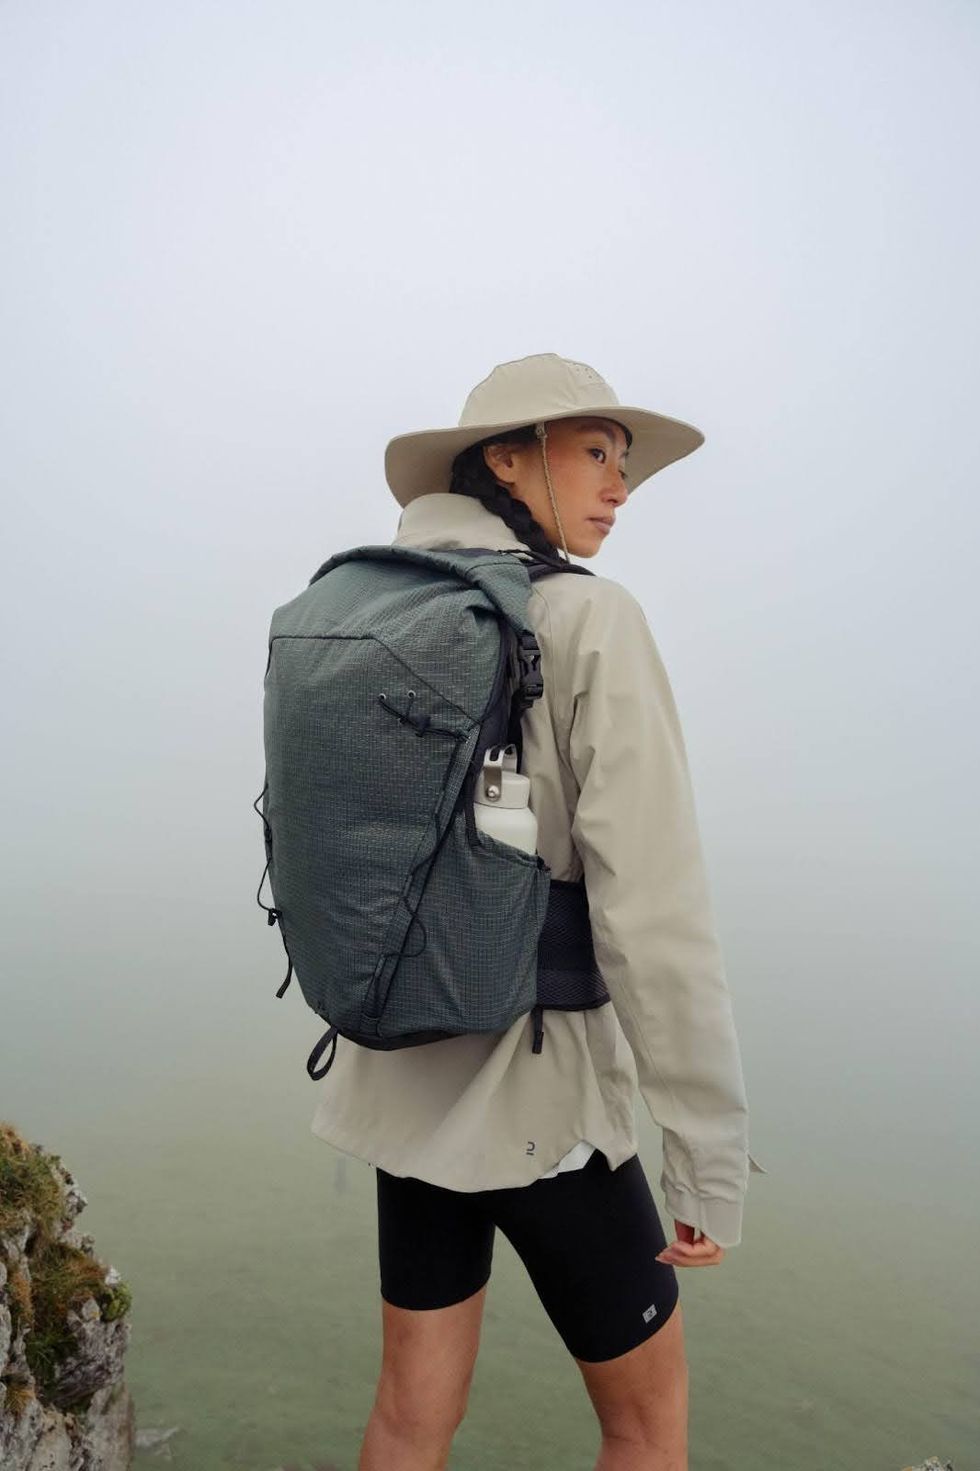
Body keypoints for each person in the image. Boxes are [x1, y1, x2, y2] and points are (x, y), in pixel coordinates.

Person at [310, 353, 764, 1471]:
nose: (620, 486)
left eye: (624, 462)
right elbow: (653, 912)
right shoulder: (588, 618)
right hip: (541, 1093)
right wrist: (703, 1157)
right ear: (507, 461)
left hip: (402, 1074)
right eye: (595, 452)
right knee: (645, 1422)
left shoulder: (377, 608)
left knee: (410, 1412)